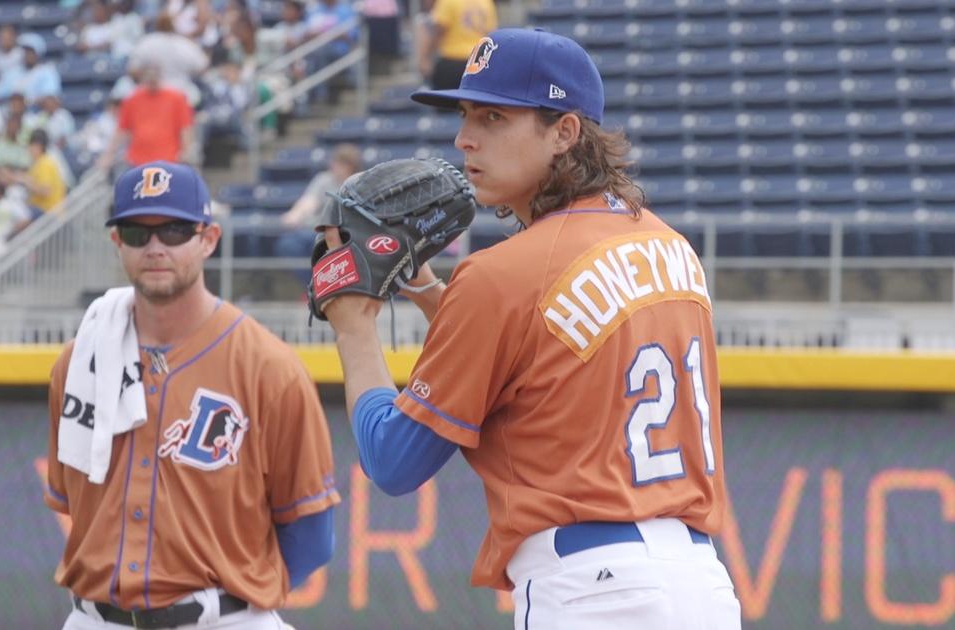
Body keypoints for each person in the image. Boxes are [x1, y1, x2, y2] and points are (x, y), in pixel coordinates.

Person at [318, 29, 742, 629]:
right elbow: (547, 359)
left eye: (494, 116)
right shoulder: (671, 246)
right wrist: (428, 293)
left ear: (565, 132)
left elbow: (393, 461)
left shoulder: (499, 276)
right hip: (703, 587)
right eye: (465, 114)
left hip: (590, 592)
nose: (465, 138)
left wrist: (353, 327)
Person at [44, 161, 339, 630]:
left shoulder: (269, 367)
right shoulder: (80, 362)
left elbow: (312, 535)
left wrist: (242, 597)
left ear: (209, 239)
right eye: (138, 232)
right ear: (117, 242)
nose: (156, 247)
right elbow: (71, 502)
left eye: (176, 230)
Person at [417, 0, 496, 91]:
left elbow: (438, 30)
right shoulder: (486, 2)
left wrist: (425, 58)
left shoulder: (448, 2)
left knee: (445, 102)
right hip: (477, 63)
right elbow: (490, 34)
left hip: (452, 61)